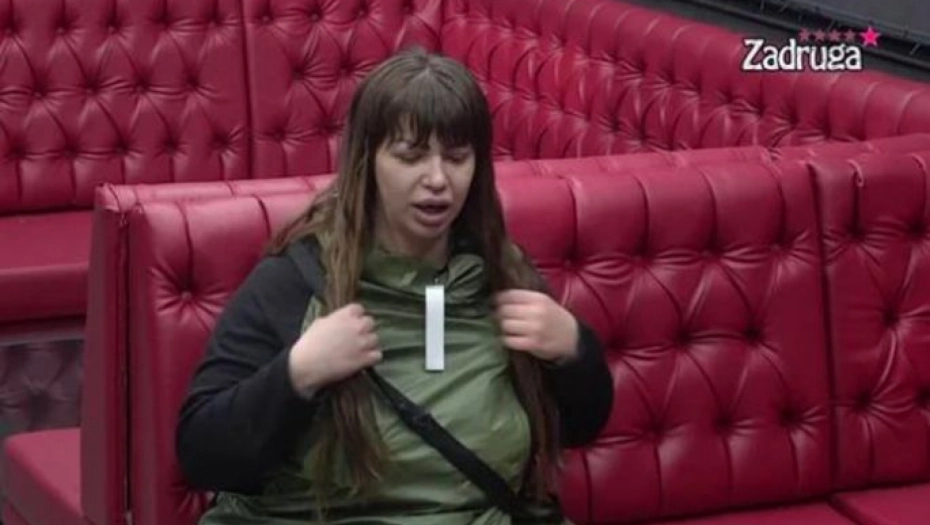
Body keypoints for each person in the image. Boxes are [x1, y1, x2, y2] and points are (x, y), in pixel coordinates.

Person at [175, 47, 614, 525]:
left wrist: (574, 351)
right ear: (367, 161)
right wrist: (297, 374)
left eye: (457, 157)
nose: (437, 179)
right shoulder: (295, 280)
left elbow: (580, 427)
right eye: (411, 156)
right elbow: (202, 454)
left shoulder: (502, 272)